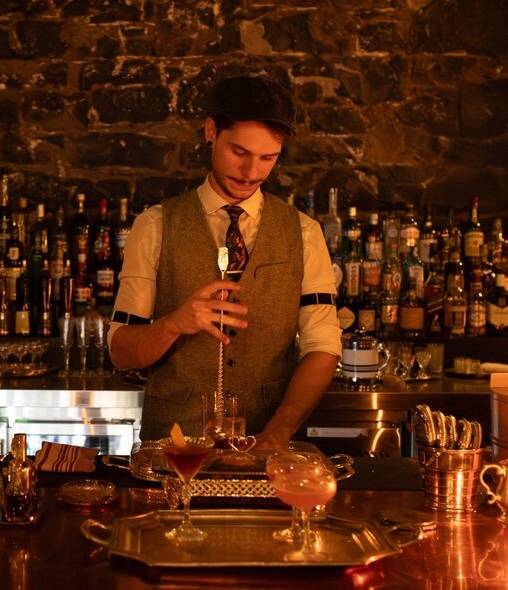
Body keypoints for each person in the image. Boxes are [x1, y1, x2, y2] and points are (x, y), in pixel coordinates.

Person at [107, 75, 341, 450]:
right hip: (172, 451)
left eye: (268, 158)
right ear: (211, 131)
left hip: (266, 449)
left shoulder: (304, 232)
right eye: (240, 152)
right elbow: (120, 352)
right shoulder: (154, 226)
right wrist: (173, 324)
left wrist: (279, 431)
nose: (252, 173)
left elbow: (323, 344)